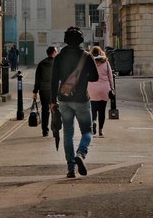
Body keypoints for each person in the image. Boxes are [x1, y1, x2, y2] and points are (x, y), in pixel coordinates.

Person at [51, 26, 99, 178]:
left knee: (68, 133)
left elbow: (53, 81)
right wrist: (82, 77)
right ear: (80, 40)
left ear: (65, 40)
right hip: (81, 99)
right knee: (87, 130)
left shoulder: (59, 57)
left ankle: (70, 168)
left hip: (64, 99)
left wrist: (52, 101)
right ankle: (81, 153)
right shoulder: (86, 56)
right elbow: (95, 77)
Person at [87, 46, 115, 138]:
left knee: (93, 109)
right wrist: (112, 88)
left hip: (92, 89)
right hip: (104, 89)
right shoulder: (105, 62)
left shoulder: (89, 62)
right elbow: (110, 77)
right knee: (102, 111)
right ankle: (100, 131)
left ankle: (94, 122)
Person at [32, 45, 57, 137]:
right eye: (56, 51)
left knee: (45, 110)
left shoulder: (41, 63)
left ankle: (44, 131)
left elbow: (37, 79)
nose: (57, 53)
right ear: (53, 52)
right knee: (54, 109)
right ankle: (54, 129)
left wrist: (35, 91)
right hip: (55, 90)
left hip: (44, 89)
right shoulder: (58, 63)